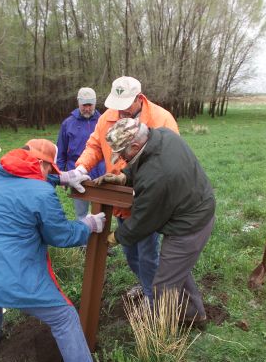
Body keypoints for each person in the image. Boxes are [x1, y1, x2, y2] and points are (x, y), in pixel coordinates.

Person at [0, 138, 115, 362]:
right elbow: (62, 236)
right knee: (64, 317)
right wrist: (88, 225)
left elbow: (24, 180)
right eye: (49, 169)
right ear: (40, 163)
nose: (50, 174)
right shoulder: (41, 194)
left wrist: (61, 178)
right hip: (12, 273)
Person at [95, 118, 216, 322]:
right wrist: (123, 177)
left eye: (123, 154)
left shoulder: (157, 176)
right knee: (177, 270)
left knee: (163, 286)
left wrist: (114, 237)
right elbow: (142, 163)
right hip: (196, 207)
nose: (122, 159)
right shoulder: (163, 136)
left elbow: (142, 222)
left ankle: (161, 335)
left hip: (189, 226)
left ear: (135, 145)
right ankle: (195, 314)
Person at [75, 76, 179, 301]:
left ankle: (155, 304)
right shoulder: (107, 118)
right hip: (120, 199)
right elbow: (94, 145)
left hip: (147, 202)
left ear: (139, 99)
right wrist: (81, 168)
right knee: (130, 253)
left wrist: (138, 185)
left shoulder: (162, 119)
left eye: (125, 106)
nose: (120, 112)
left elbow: (170, 162)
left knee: (147, 254)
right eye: (116, 106)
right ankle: (146, 285)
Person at [56, 87, 105, 220]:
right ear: (78, 103)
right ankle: (84, 241)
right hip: (77, 176)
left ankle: (98, 241)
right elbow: (61, 153)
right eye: (84, 105)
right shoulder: (68, 124)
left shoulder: (104, 121)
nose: (87, 108)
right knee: (81, 215)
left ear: (95, 103)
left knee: (100, 214)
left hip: (101, 178)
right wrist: (61, 176)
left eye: (90, 105)